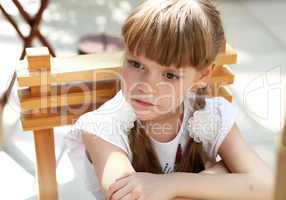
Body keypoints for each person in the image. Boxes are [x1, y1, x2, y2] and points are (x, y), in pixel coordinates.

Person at [64, 0, 273, 199]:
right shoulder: (102, 128)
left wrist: (170, 184)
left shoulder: (210, 115)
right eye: (136, 64)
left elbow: (267, 187)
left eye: (170, 75)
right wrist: (222, 174)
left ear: (202, 76)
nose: (146, 86)